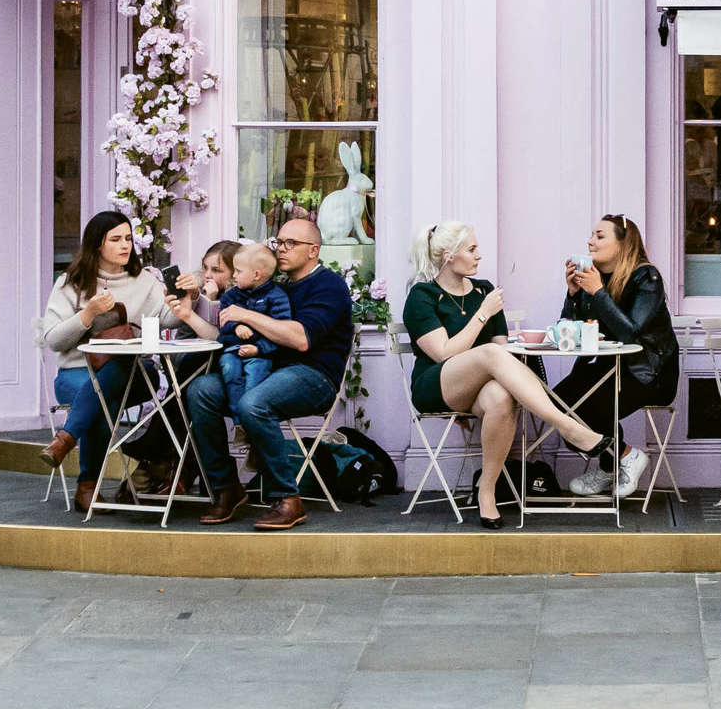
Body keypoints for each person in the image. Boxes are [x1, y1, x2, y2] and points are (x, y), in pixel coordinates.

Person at [402, 220, 617, 529]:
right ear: (449, 255)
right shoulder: (422, 296)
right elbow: (445, 353)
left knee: (501, 396)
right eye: (472, 249)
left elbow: (503, 347)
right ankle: (567, 426)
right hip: (437, 385)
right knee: (491, 354)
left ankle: (487, 492)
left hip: (480, 389)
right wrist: (483, 313)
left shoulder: (484, 289)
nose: (479, 256)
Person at [184, 218, 354, 530]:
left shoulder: (328, 285)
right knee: (200, 390)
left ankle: (288, 498)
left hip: (313, 376)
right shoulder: (277, 288)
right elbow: (235, 328)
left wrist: (245, 315)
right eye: (279, 242)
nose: (281, 249)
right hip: (265, 370)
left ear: (313, 250)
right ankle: (226, 488)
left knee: (253, 403)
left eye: (291, 244)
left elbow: (301, 338)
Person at [35, 210, 168, 513]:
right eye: (116, 239)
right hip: (76, 374)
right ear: (97, 245)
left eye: (129, 238)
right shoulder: (72, 283)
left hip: (133, 376)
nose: (126, 245)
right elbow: (53, 340)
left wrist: (190, 299)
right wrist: (88, 313)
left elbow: (168, 317)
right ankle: (87, 488)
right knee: (103, 400)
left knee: (124, 366)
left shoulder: (144, 281)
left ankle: (66, 439)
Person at [557, 213, 677, 500]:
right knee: (557, 405)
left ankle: (622, 458)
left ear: (623, 245)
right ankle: (616, 462)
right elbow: (571, 332)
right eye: (591, 235)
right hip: (608, 367)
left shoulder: (646, 277)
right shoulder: (593, 279)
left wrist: (597, 291)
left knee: (593, 408)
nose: (590, 241)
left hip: (648, 373)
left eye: (600, 236)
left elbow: (629, 333)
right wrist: (574, 294)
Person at [212, 243, 292, 404]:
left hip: (261, 354)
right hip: (232, 350)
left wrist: (258, 348)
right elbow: (223, 323)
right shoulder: (231, 297)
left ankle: (248, 415)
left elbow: (281, 332)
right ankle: (239, 420)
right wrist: (237, 326)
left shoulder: (277, 297)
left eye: (238, 271)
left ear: (257, 275)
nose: (234, 275)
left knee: (255, 373)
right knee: (229, 369)